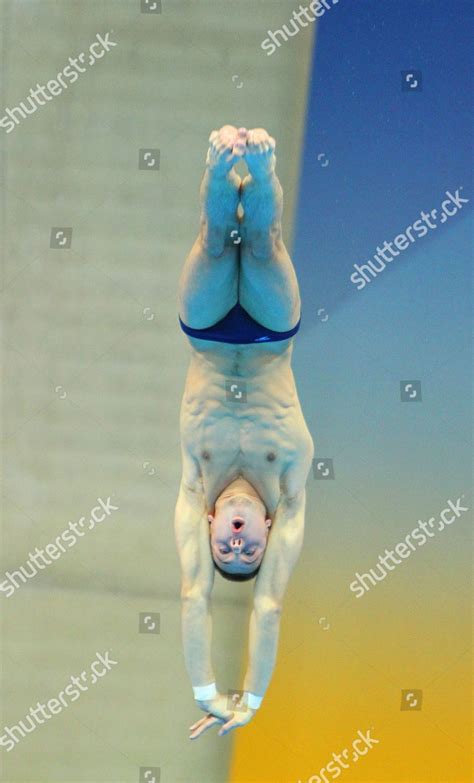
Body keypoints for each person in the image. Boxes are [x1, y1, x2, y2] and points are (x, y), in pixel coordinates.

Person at [174, 125, 314, 739]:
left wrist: (206, 691)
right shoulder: (289, 485)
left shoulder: (194, 490)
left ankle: (217, 160)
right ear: (268, 531)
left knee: (212, 244)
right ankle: (260, 163)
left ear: (209, 528)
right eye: (248, 550)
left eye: (224, 549)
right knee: (261, 245)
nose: (235, 543)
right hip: (268, 340)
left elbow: (192, 598)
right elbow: (269, 606)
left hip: (206, 336)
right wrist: (249, 699)